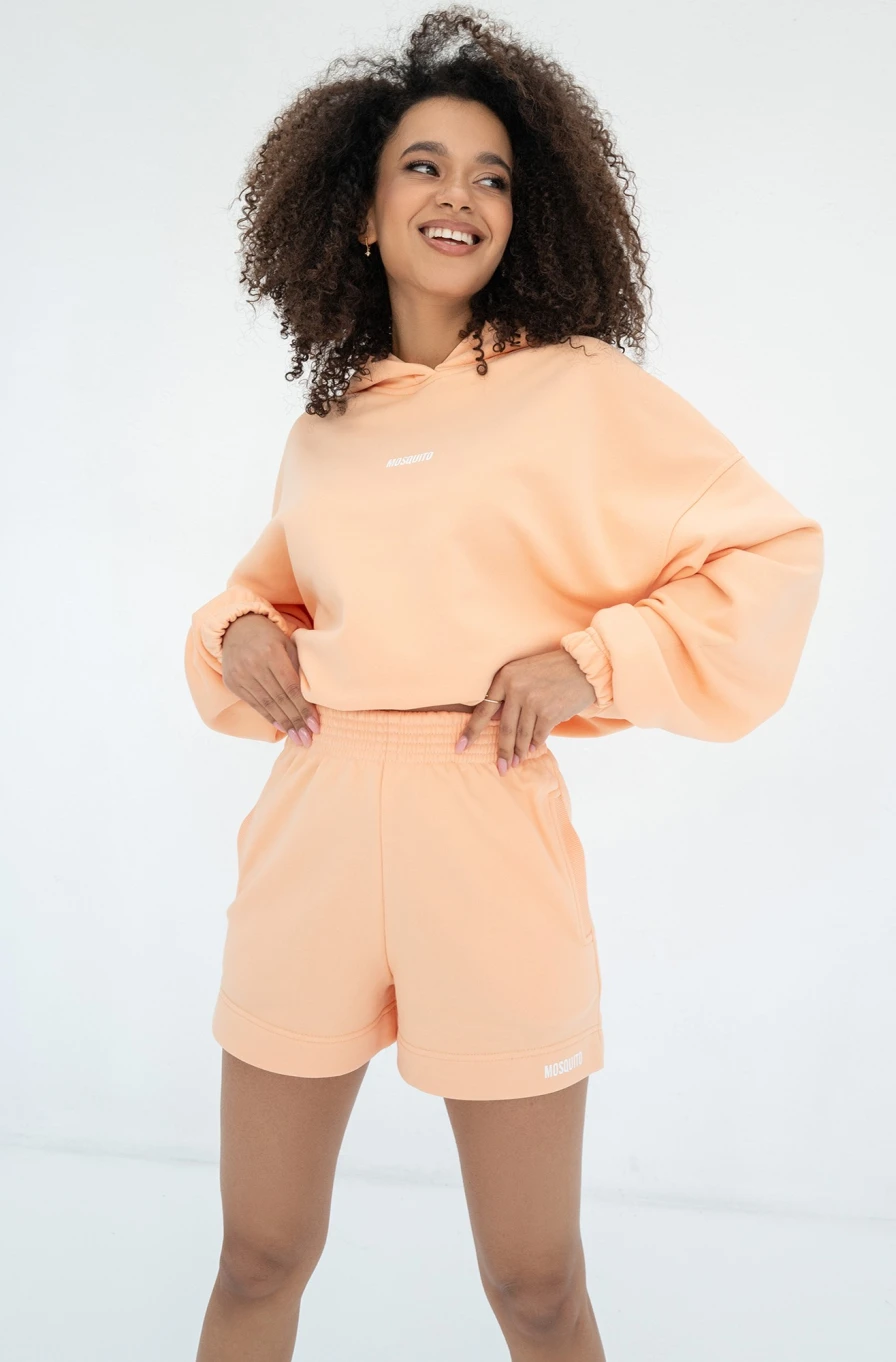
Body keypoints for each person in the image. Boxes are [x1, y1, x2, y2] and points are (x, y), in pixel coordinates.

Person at [184, 11, 824, 1360]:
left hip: (483, 819)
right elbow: (268, 600)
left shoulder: (579, 390)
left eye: (492, 176)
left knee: (535, 1284)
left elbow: (770, 553)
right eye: (423, 166)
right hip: (314, 823)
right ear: (361, 213)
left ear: (523, 218)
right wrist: (235, 629)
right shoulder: (327, 428)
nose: (459, 196)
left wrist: (588, 660)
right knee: (256, 1254)